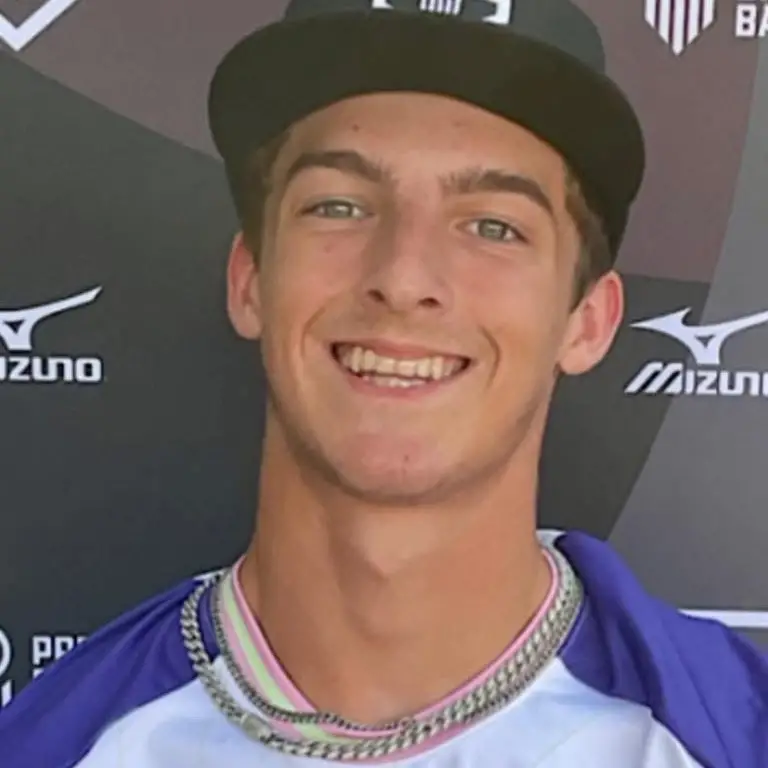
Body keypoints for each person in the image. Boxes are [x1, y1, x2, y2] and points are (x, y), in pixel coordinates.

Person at [1, 0, 766, 765]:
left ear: (588, 321)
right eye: (339, 207)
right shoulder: (59, 744)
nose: (402, 278)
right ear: (249, 280)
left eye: (493, 226)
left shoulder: (733, 736)